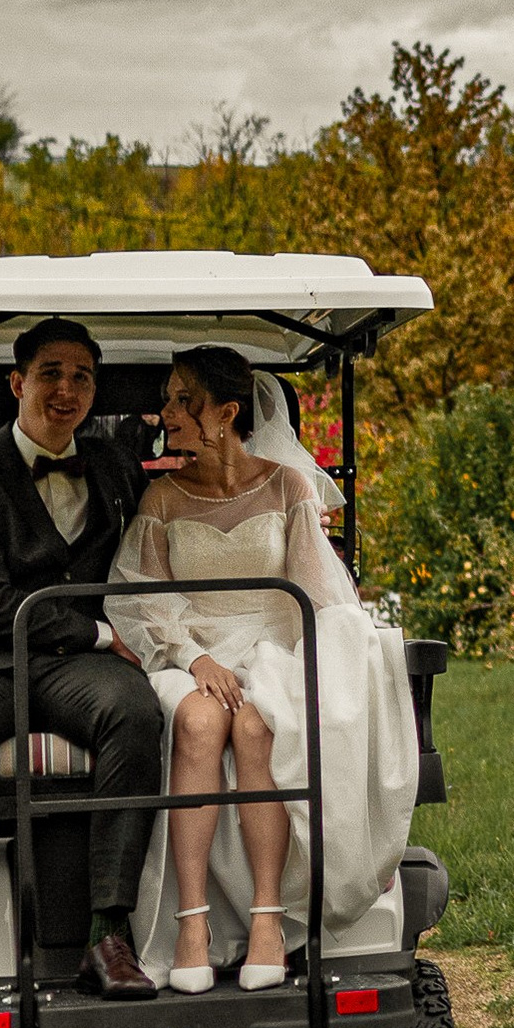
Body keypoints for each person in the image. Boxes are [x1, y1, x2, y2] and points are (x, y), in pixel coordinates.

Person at [108, 346, 418, 992]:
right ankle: (191, 923)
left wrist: (340, 645)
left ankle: (268, 919)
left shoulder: (287, 486)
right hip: (187, 650)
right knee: (198, 723)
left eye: (180, 399)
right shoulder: (163, 497)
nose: (165, 413)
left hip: (271, 646)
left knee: (259, 726)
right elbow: (139, 596)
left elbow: (313, 588)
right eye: (167, 398)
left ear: (225, 413)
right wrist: (196, 659)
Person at [0, 318, 165, 1011]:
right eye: (51, 372)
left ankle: (107, 937)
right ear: (18, 383)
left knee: (136, 713)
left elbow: (150, 544)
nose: (67, 389)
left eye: (82, 376)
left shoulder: (113, 465)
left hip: (74, 665)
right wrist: (100, 635)